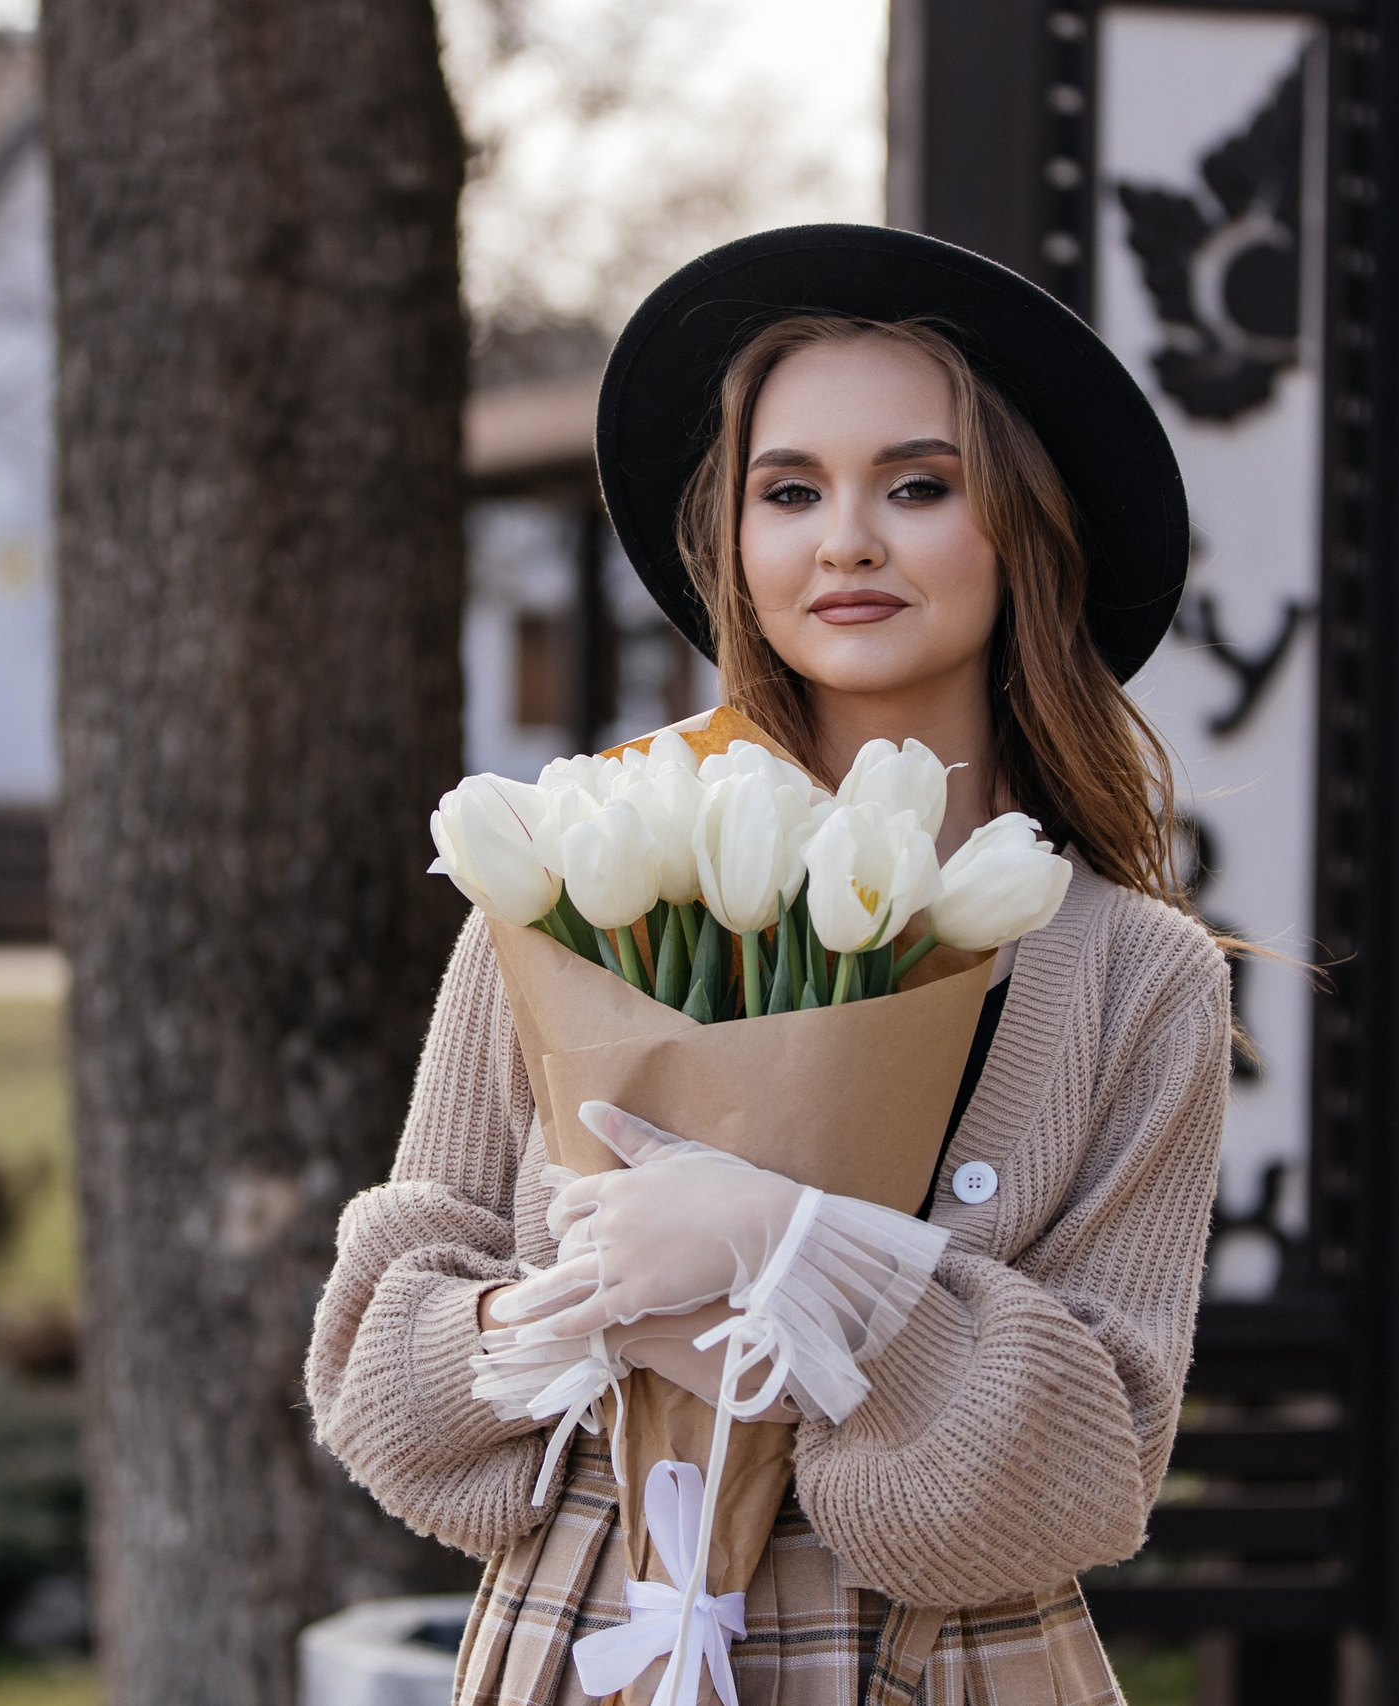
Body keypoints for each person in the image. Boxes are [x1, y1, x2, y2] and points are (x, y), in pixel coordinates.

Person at [308, 225, 1230, 1706]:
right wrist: (578, 1308)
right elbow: (382, 1377)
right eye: (789, 489)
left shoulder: (1134, 977)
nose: (844, 540)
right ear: (734, 538)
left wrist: (789, 1258)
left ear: (1025, 530)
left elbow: (1090, 1470)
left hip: (950, 1665)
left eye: (918, 487)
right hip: (590, 1639)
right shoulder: (567, 872)